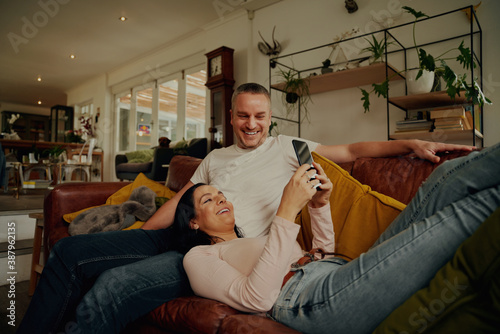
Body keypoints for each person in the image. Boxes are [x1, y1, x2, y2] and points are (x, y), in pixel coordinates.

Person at [18, 83, 475, 333]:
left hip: (216, 250)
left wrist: (409, 142)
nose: (250, 124)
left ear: (269, 118)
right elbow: (180, 200)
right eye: (242, 115)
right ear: (232, 116)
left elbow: (354, 148)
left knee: (114, 287)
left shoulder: (288, 147)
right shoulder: (216, 157)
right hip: (181, 230)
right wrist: (138, 237)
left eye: (259, 116)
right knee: (68, 256)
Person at [177, 142, 500, 334]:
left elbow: (323, 252)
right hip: (307, 301)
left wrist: (319, 204)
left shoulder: (263, 237)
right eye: (208, 200)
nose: (221, 200)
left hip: (338, 271)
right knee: (460, 216)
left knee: (444, 178)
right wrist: (287, 211)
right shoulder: (199, 257)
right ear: (193, 222)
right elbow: (257, 300)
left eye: (221, 194)